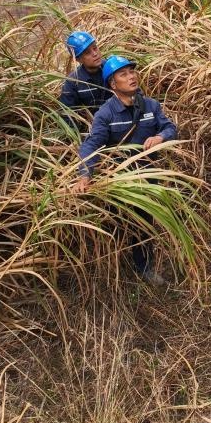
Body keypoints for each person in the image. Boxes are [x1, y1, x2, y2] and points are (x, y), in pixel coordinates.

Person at [72, 55, 177, 284]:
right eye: (123, 74)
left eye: (132, 71)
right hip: (120, 181)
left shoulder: (150, 105)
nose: (131, 77)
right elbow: (91, 145)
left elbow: (170, 127)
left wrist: (160, 136)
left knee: (145, 224)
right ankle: (113, 269)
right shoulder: (106, 114)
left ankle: (145, 269)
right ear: (112, 83)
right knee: (117, 225)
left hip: (149, 177)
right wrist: (84, 175)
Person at [59, 30, 111, 116]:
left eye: (95, 48)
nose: (95, 54)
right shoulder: (73, 82)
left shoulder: (111, 67)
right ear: (78, 59)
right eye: (87, 53)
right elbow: (67, 114)